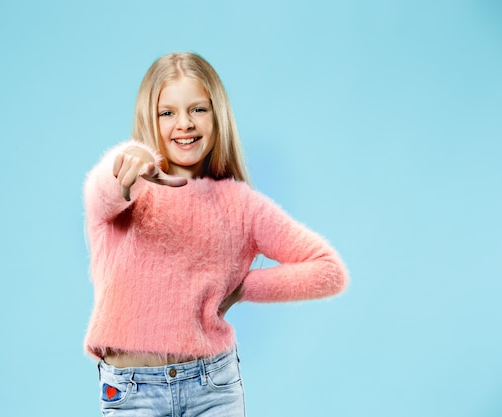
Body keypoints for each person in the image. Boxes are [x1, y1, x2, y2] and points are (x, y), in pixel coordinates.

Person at [83, 52, 348, 416]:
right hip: (131, 391)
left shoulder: (241, 205)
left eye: (198, 110)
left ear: (217, 115)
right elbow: (104, 193)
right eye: (167, 113)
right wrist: (129, 161)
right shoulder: (129, 189)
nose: (184, 124)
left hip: (212, 385)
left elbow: (329, 270)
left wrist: (244, 288)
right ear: (149, 118)